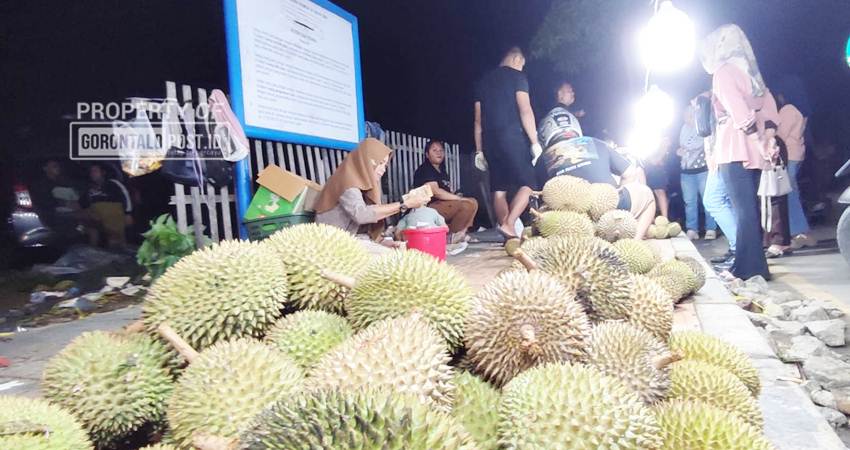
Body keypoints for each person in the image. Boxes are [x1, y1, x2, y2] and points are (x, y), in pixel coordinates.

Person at [700, 24, 773, 281]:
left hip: (735, 146)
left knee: (743, 210)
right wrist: (765, 141)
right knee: (748, 209)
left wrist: (757, 140)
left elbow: (738, 112)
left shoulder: (723, 72)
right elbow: (765, 104)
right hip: (752, 149)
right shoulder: (748, 71)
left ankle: (748, 268)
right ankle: (750, 265)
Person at [473, 46, 542, 240]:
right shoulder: (517, 77)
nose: (522, 68)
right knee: (529, 183)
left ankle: (508, 235)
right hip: (511, 136)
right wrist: (534, 141)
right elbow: (525, 110)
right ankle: (509, 223)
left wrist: (479, 150)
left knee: (499, 190)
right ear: (516, 59)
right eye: (522, 64)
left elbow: (477, 120)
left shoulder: (482, 83)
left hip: (489, 141)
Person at [315, 138, 430, 251]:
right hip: (333, 244)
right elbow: (361, 214)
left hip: (354, 240)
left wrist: (383, 241)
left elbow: (365, 228)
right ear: (366, 161)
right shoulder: (346, 181)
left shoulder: (365, 184)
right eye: (380, 163)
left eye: (385, 165)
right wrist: (403, 205)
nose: (383, 170)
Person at [413, 139, 479, 244]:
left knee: (473, 201)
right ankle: (451, 236)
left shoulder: (442, 171)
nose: (439, 153)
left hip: (441, 205)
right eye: (434, 150)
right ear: (427, 154)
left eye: (441, 150)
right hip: (428, 208)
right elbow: (436, 192)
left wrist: (456, 195)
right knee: (466, 204)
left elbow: (447, 192)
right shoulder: (425, 170)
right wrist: (459, 199)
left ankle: (461, 233)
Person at [776, 94, 812, 248]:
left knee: (789, 194)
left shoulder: (788, 110)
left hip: (789, 155)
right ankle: (799, 231)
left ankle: (799, 231)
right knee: (792, 192)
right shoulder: (800, 110)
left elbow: (780, 135)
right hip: (796, 154)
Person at [678, 105, 717, 240]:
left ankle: (711, 228)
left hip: (703, 170)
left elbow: (699, 145)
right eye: (685, 116)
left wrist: (685, 150)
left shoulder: (702, 127)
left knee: (707, 200)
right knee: (689, 201)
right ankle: (692, 229)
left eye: (689, 116)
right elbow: (682, 145)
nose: (686, 119)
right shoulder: (684, 128)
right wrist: (680, 151)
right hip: (686, 171)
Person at [81, 164, 133, 248]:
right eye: (91, 172)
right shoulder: (89, 188)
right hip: (97, 218)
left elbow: (125, 195)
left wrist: (128, 213)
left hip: (113, 216)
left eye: (95, 171)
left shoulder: (113, 183)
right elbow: (84, 204)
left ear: (103, 173)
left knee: (115, 240)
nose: (92, 173)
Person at [645, 136, 671, 218]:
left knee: (660, 192)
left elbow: (656, 159)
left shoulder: (661, 137)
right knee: (646, 194)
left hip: (656, 169)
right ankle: (649, 219)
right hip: (644, 166)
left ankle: (665, 219)